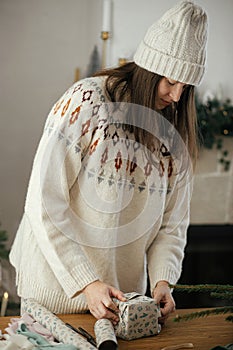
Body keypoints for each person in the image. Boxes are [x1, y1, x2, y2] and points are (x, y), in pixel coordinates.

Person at [10, 0, 208, 326]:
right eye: (170, 82)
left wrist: (161, 280)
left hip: (121, 306)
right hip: (55, 296)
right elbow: (45, 202)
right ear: (148, 70)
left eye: (186, 89)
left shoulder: (173, 135)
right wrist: (87, 282)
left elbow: (172, 225)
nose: (176, 96)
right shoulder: (86, 102)